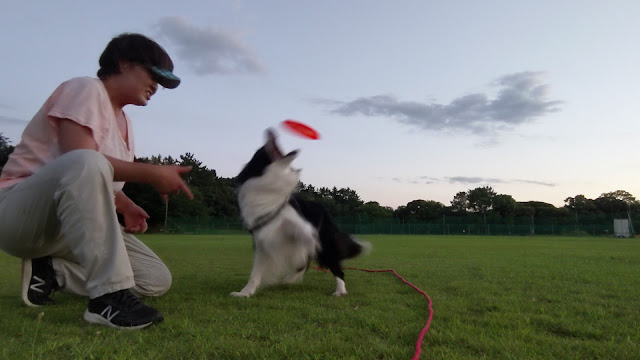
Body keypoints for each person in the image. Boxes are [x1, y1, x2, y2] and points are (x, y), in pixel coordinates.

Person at [0, 33, 193, 330]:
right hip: (20, 212)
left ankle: (51, 271)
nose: (157, 86)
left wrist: (126, 204)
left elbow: (94, 179)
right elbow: (80, 159)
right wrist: (152, 173)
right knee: (86, 161)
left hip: (68, 225)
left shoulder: (126, 123)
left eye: (163, 81)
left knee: (154, 279)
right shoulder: (86, 88)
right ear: (123, 63)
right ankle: (107, 300)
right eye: (153, 74)